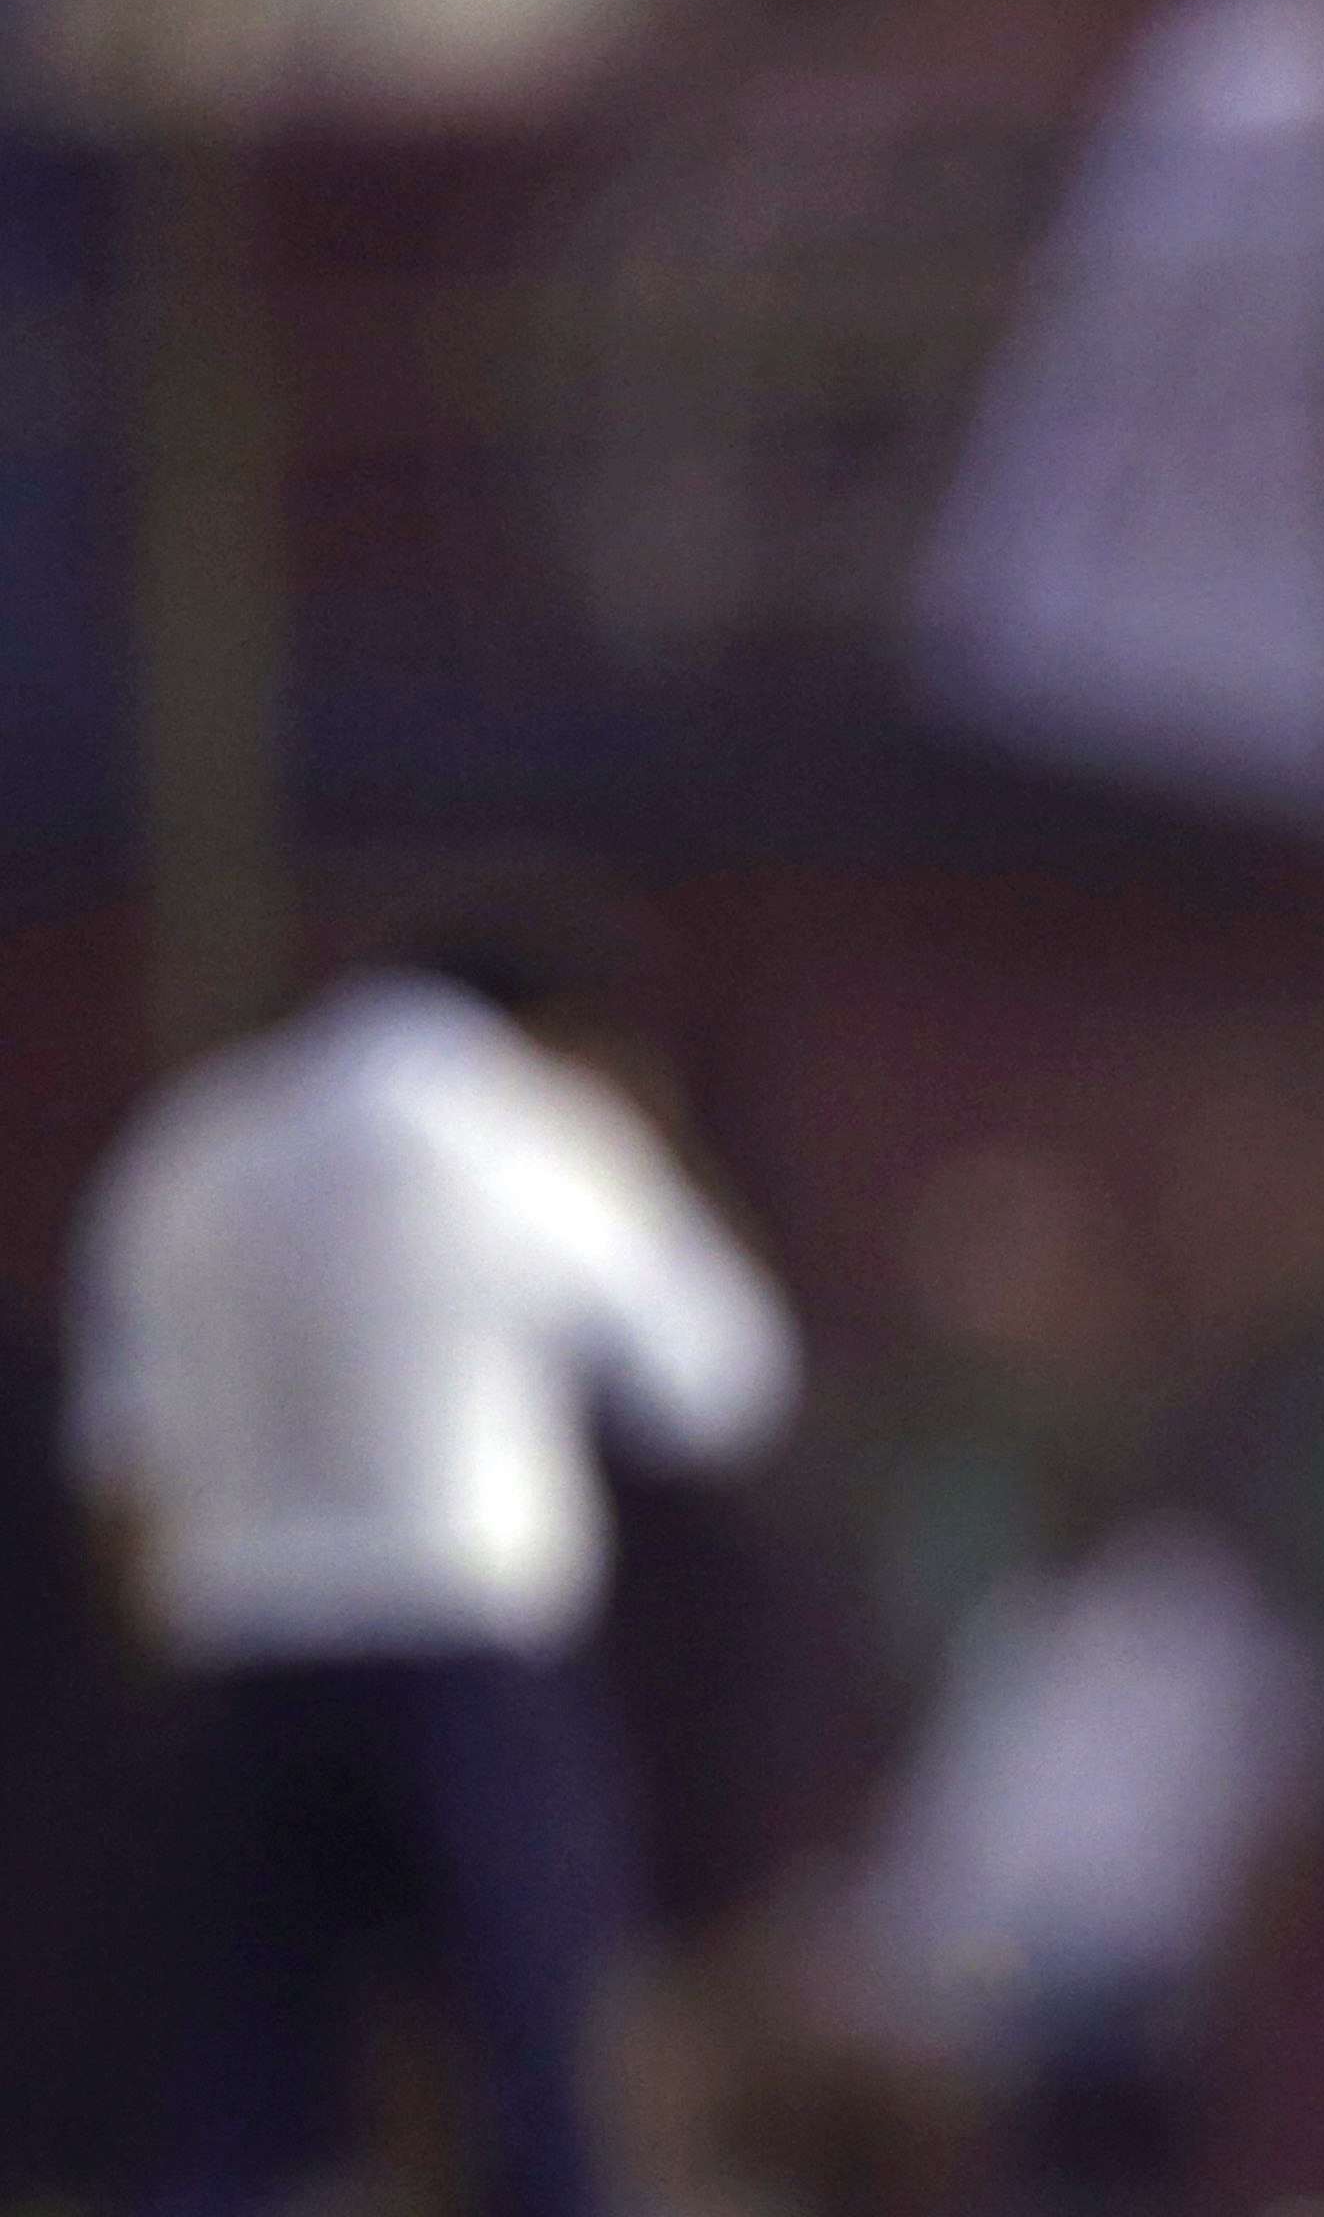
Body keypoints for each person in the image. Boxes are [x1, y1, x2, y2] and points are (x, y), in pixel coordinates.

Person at [67, 927, 801, 2217]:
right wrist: (648, 1157)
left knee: (234, 2093)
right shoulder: (523, 1128)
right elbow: (723, 1383)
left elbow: (121, 1466)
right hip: (464, 1657)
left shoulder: (198, 1137)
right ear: (560, 1034)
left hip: (240, 1655)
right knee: (539, 2074)